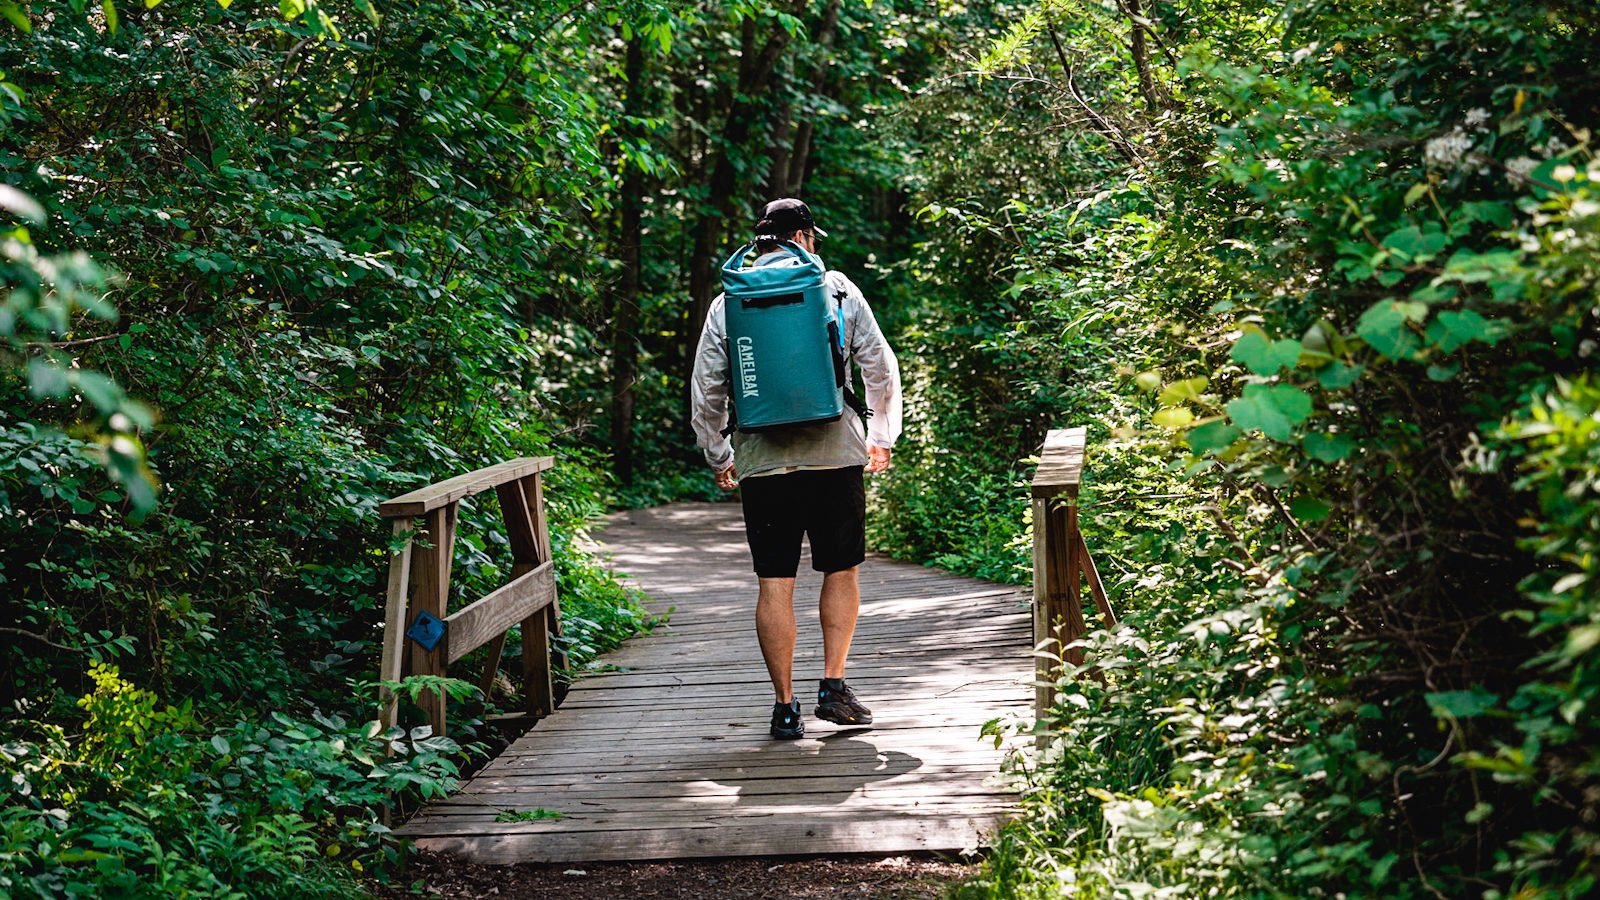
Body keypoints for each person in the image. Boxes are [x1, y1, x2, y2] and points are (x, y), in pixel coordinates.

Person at [690, 198, 903, 740]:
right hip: (835, 453)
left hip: (763, 460)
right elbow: (878, 366)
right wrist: (881, 437)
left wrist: (719, 454)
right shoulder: (836, 288)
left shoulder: (728, 301)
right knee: (841, 569)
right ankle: (834, 687)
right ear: (806, 235)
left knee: (774, 583)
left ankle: (784, 707)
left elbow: (707, 389)